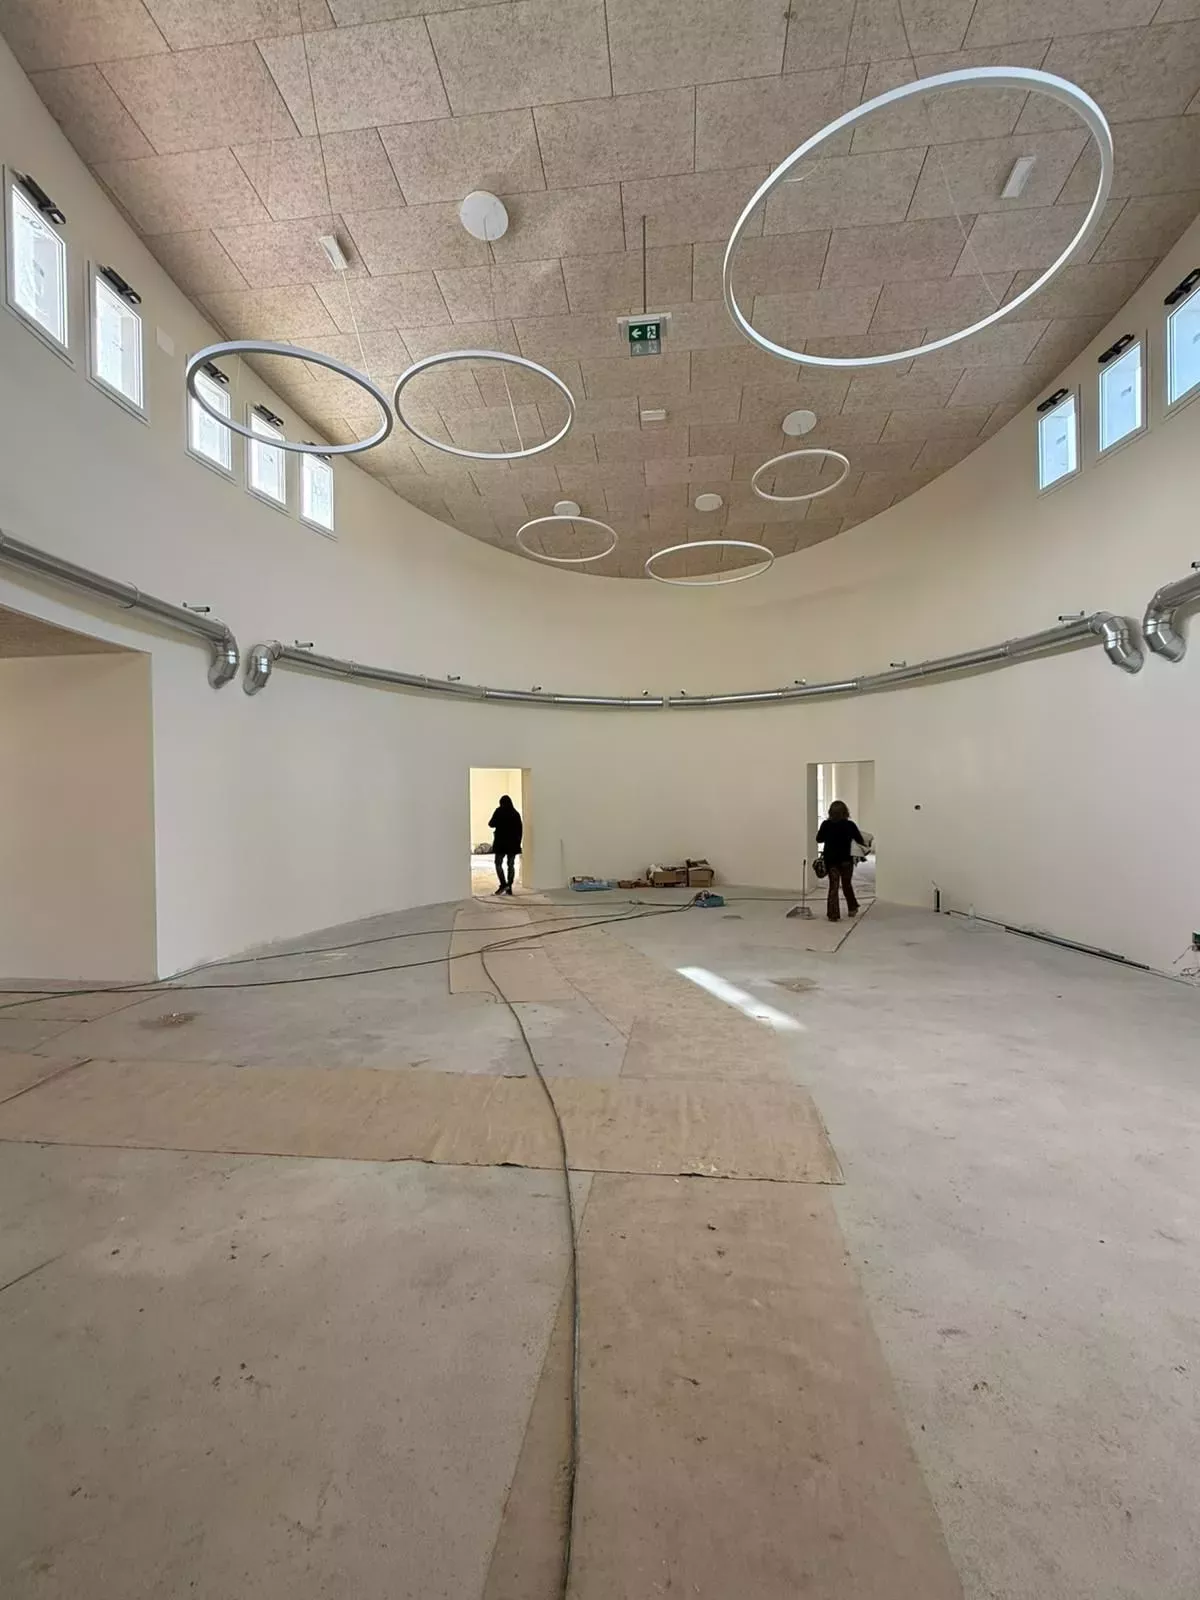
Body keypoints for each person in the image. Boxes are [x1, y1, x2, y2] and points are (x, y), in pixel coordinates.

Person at [816, 799, 865, 922]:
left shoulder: (826, 824)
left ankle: (833, 914)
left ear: (830, 812)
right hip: (846, 860)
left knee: (833, 886)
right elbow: (860, 840)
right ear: (845, 812)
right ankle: (852, 908)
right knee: (847, 884)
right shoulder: (850, 825)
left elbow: (819, 839)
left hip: (831, 861)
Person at [488, 794, 523, 896]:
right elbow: (520, 830)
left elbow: (491, 824)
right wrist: (518, 843)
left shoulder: (499, 811)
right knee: (510, 865)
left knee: (498, 863)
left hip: (501, 843)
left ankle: (503, 884)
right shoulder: (515, 814)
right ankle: (509, 887)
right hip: (513, 844)